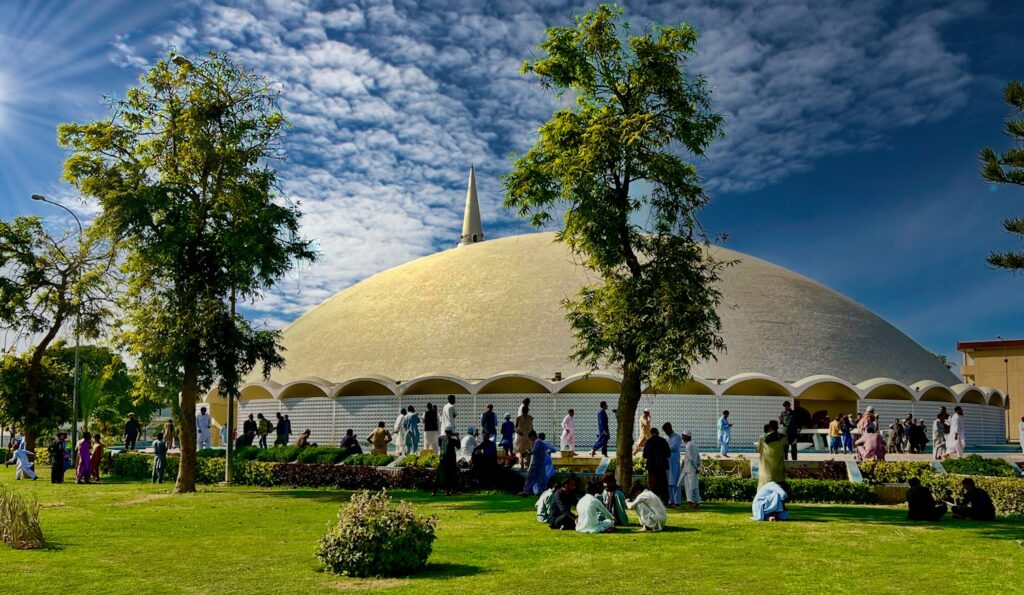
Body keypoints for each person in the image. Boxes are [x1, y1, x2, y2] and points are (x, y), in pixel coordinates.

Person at [522, 430, 556, 496]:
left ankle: (526, 491)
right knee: (542, 478)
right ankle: (542, 491)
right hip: (541, 462)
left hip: (536, 463)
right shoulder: (542, 442)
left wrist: (527, 451)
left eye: (530, 438)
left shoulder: (537, 442)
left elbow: (533, 451)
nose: (531, 440)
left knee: (530, 477)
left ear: (533, 436)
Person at [642, 427, 670, 504]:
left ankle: (654, 501)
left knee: (653, 485)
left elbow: (644, 455)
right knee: (663, 484)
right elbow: (668, 454)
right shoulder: (663, 441)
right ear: (658, 433)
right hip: (662, 467)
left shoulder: (649, 442)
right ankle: (665, 500)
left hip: (652, 467)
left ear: (651, 433)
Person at [757, 421, 786, 488]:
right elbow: (784, 449)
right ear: (777, 428)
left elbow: (760, 451)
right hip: (778, 465)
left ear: (769, 427)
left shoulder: (763, 437)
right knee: (778, 485)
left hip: (766, 467)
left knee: (764, 484)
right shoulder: (783, 437)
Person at [434, 430, 459, 496]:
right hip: (450, 462)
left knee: (439, 476)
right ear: (451, 433)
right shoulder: (452, 440)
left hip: (443, 460)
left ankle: (434, 491)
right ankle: (447, 491)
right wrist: (457, 437)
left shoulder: (442, 439)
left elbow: (439, 443)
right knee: (449, 477)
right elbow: (458, 446)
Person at [680, 429, 701, 508]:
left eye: (683, 437)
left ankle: (690, 503)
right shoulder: (694, 445)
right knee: (695, 487)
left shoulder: (688, 445)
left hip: (689, 470)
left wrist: (695, 467)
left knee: (689, 487)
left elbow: (691, 458)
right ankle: (697, 503)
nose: (682, 438)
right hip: (694, 470)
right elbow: (698, 457)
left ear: (687, 436)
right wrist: (698, 467)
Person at [663, 422, 682, 507]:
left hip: (674, 462)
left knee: (675, 482)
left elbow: (674, 448)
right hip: (667, 462)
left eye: (666, 431)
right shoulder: (665, 438)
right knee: (668, 482)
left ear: (670, 429)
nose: (666, 433)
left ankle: (677, 501)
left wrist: (665, 447)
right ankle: (671, 500)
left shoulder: (677, 437)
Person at [514, 405, 535, 470]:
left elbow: (532, 427)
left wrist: (533, 436)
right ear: (522, 411)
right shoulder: (518, 418)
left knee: (528, 452)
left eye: (526, 411)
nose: (524, 412)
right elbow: (515, 427)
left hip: (528, 438)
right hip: (521, 438)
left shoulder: (530, 418)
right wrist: (518, 431)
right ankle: (522, 466)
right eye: (523, 411)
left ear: (527, 411)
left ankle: (526, 466)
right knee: (521, 453)